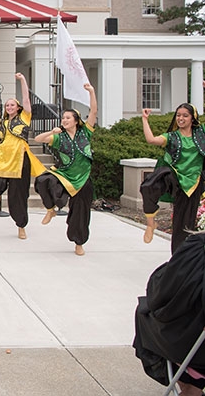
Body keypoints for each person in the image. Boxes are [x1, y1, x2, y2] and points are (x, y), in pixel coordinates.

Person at [0, 73, 46, 240]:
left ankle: (21, 225)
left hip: (20, 160)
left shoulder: (25, 118)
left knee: (18, 196)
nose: (9, 107)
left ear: (18, 107)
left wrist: (22, 80)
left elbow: (27, 99)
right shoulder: (3, 123)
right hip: (4, 158)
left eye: (12, 105)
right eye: (7, 105)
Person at [134, 232, 205, 396]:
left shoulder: (197, 246)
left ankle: (189, 386)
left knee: (144, 311)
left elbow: (159, 293)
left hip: (191, 350)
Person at [34, 83, 98, 256]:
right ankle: (50, 209)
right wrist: (50, 131)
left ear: (76, 121)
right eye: (63, 118)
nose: (64, 120)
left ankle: (79, 243)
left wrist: (91, 92)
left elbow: (93, 111)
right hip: (65, 176)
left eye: (68, 118)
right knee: (42, 180)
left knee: (80, 213)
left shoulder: (85, 133)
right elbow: (37, 138)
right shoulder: (59, 137)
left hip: (83, 178)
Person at [140, 102, 205, 253]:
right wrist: (144, 119)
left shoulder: (201, 133)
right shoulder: (171, 136)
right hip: (174, 177)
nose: (180, 118)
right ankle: (150, 223)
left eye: (185, 116)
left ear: (193, 118)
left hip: (193, 183)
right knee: (149, 185)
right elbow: (151, 140)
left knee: (183, 224)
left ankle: (178, 258)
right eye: (178, 115)